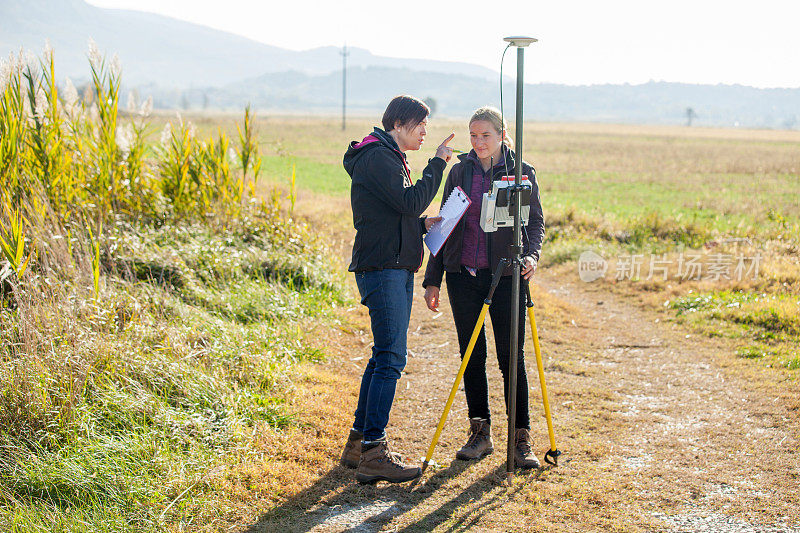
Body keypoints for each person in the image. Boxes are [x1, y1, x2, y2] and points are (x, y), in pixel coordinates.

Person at [340, 95, 454, 484]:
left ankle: (359, 444)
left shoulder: (386, 156)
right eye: (422, 125)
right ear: (401, 123)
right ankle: (375, 451)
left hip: (390, 265)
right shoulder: (379, 157)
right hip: (384, 269)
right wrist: (437, 164)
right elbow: (409, 201)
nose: (425, 132)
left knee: (382, 356)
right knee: (391, 357)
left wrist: (421, 226)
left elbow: (392, 213)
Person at [422, 106, 545, 468]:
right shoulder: (459, 171)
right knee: (471, 356)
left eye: (485, 135)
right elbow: (444, 224)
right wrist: (433, 279)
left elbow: (535, 223)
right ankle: (480, 432)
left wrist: (532, 256)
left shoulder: (521, 171)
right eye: (473, 135)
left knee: (511, 358)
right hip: (463, 276)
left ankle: (520, 439)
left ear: (503, 135)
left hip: (506, 277)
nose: (478, 142)